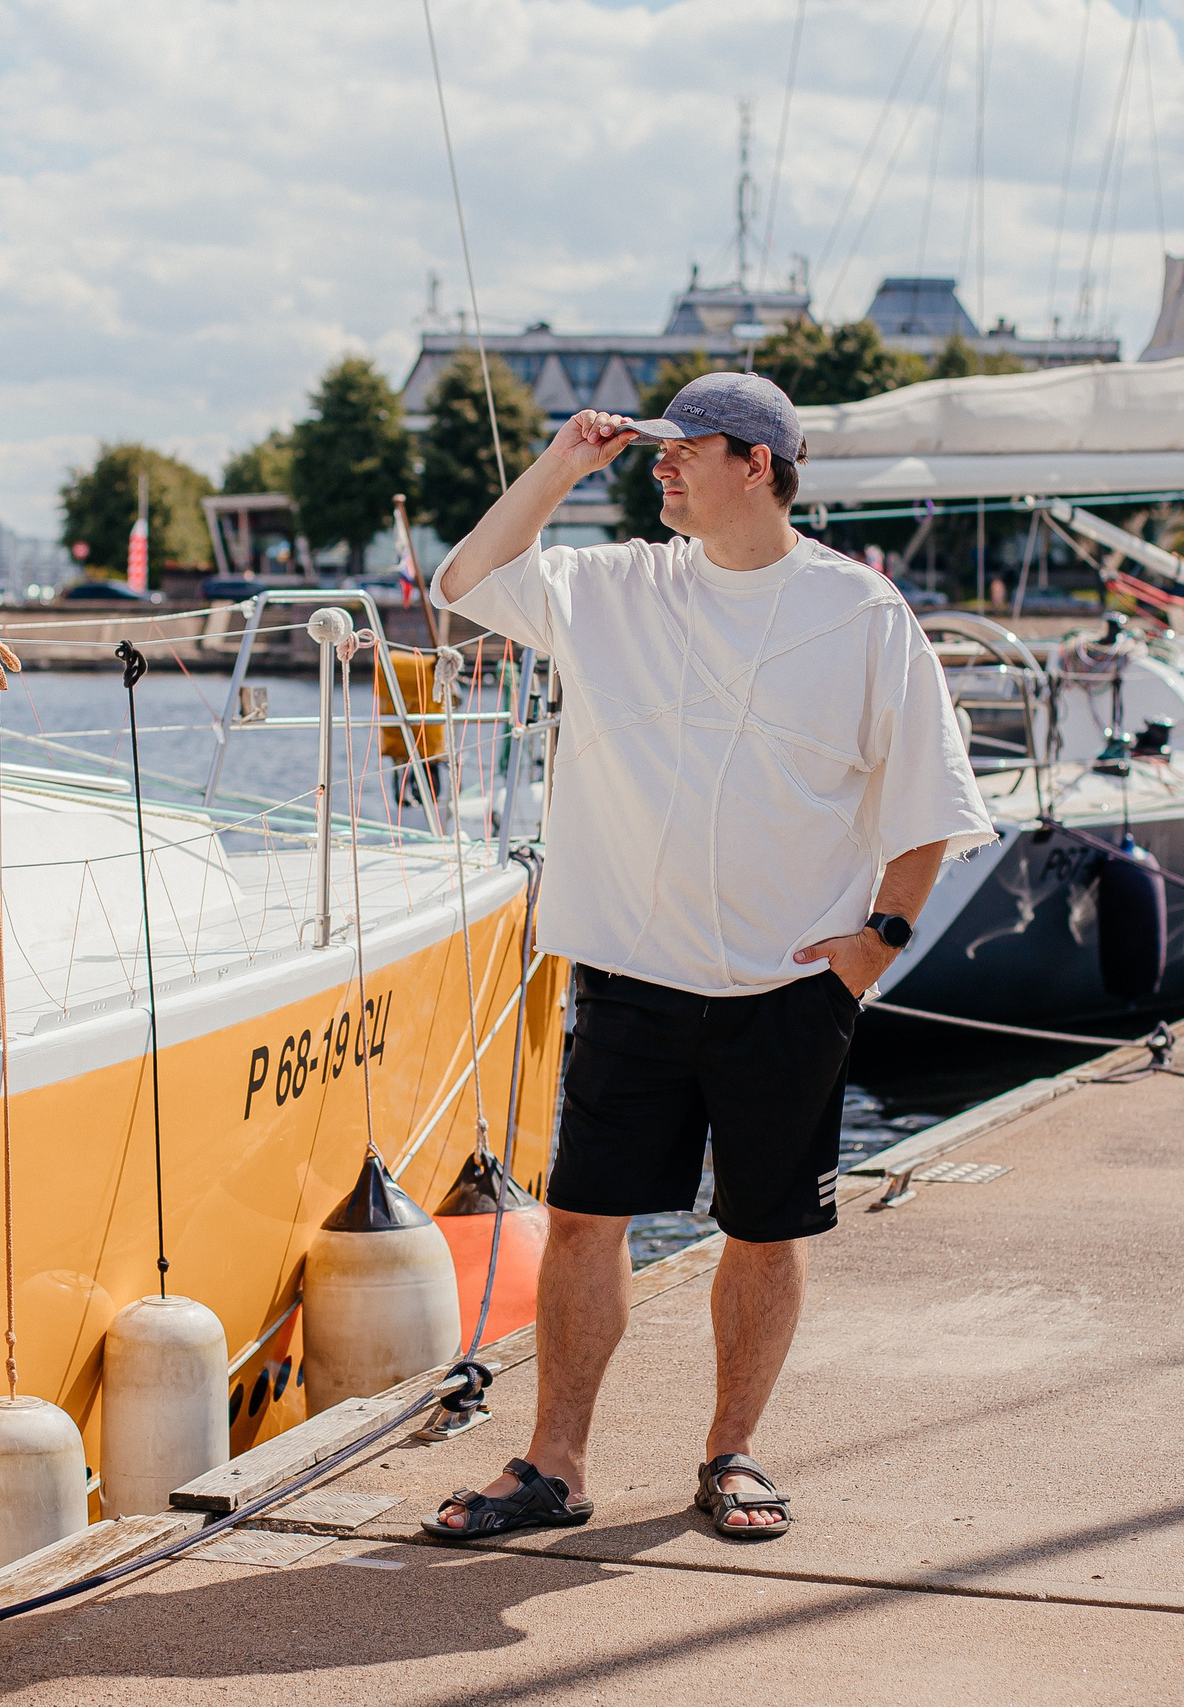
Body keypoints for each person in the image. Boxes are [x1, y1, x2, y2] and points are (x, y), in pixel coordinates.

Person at [420, 371, 994, 1543]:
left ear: (758, 464)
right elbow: (461, 582)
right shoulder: (613, 587)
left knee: (762, 1232)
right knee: (585, 1220)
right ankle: (553, 1465)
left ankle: (732, 1453)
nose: (660, 466)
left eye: (686, 449)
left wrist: (871, 949)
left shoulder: (860, 613)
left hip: (787, 986)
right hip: (632, 973)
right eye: (657, 451)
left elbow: (927, 799)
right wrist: (560, 466)